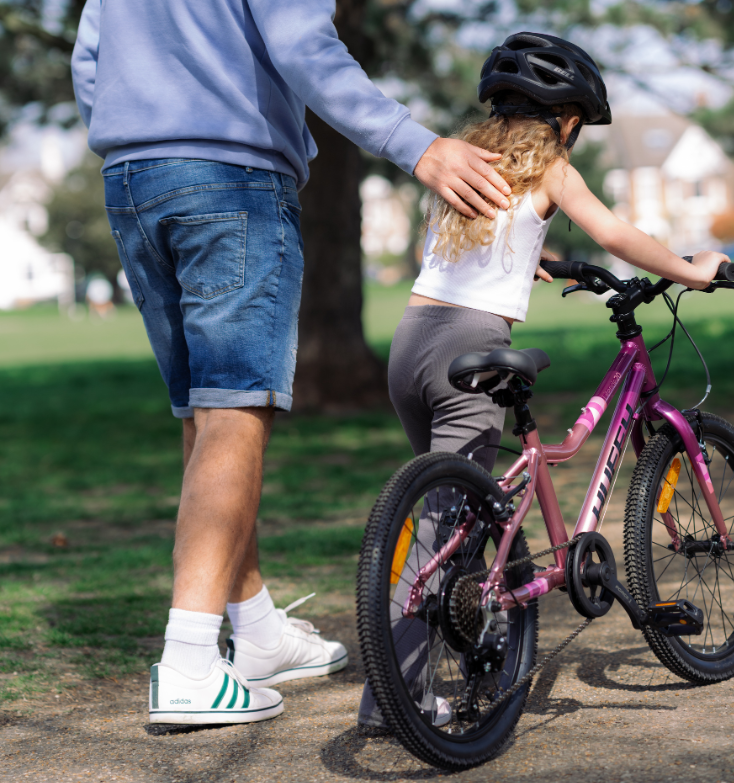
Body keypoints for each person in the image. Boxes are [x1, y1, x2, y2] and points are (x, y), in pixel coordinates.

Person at [71, 0, 516, 725]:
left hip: (133, 180)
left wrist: (144, 138)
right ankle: (187, 665)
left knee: (204, 413)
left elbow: (90, 56)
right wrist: (417, 145)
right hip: (230, 179)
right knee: (234, 412)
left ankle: (254, 631)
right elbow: (303, 43)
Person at [357, 31, 730, 729]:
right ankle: (395, 701)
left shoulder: (469, 161)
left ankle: (482, 640)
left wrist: (531, 255)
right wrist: (691, 270)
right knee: (444, 529)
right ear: (568, 119)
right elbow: (614, 235)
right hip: (470, 343)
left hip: (411, 345)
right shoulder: (552, 169)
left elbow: (475, 247)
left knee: (455, 518)